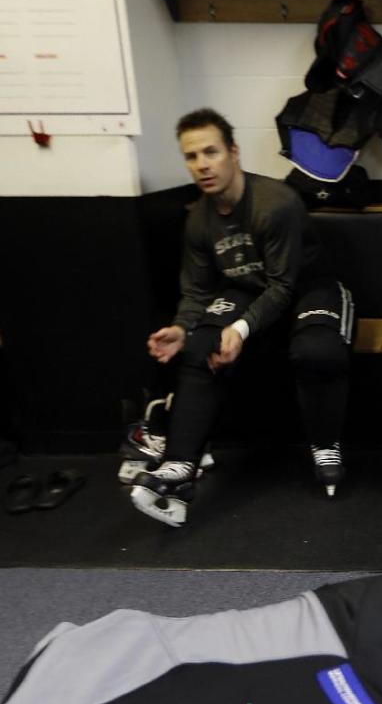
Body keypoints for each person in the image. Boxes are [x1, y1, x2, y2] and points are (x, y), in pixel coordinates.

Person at [130, 108, 353, 527]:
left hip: (308, 287)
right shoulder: (199, 219)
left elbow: (283, 286)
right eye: (192, 156)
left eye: (211, 152)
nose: (202, 165)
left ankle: (325, 444)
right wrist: (181, 328)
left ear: (233, 153)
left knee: (317, 351)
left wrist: (240, 328)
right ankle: (181, 467)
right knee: (199, 346)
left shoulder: (275, 204)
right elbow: (197, 291)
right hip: (250, 291)